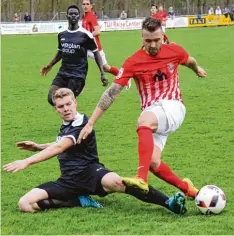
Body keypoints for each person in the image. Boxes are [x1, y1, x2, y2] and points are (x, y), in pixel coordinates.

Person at [78, 18, 207, 198]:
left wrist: (196, 68)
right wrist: (91, 122)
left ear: (163, 36)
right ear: (141, 37)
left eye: (157, 39)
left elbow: (189, 60)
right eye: (148, 40)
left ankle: (141, 177)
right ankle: (188, 190)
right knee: (153, 162)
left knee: (143, 121)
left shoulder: (174, 51)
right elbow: (112, 93)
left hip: (173, 106)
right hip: (154, 113)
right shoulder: (133, 62)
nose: (153, 44)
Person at [3, 88, 187, 214]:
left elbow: (60, 147)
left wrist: (27, 161)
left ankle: (169, 203)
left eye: (68, 104)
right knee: (25, 204)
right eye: (61, 106)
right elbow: (61, 143)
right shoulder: (66, 125)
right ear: (56, 109)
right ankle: (78, 200)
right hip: (68, 180)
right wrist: (38, 146)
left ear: (75, 102)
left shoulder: (82, 123)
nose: (66, 109)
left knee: (119, 182)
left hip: (91, 172)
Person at [40, 5, 108, 106]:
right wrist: (50, 65)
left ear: (79, 16)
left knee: (66, 101)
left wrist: (102, 73)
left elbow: (96, 52)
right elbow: (60, 52)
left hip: (78, 75)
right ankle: (71, 117)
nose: (73, 16)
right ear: (67, 16)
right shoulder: (62, 34)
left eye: (75, 14)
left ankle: (76, 117)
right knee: (51, 98)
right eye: (71, 14)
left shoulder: (85, 35)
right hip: (63, 73)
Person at [82, 0, 119, 76]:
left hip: (95, 48)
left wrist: (86, 37)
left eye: (87, 4)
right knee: (77, 64)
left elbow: (97, 32)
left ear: (91, 6)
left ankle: (123, 76)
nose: (85, 6)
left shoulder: (91, 16)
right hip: (86, 47)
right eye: (84, 4)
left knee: (105, 68)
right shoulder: (85, 16)